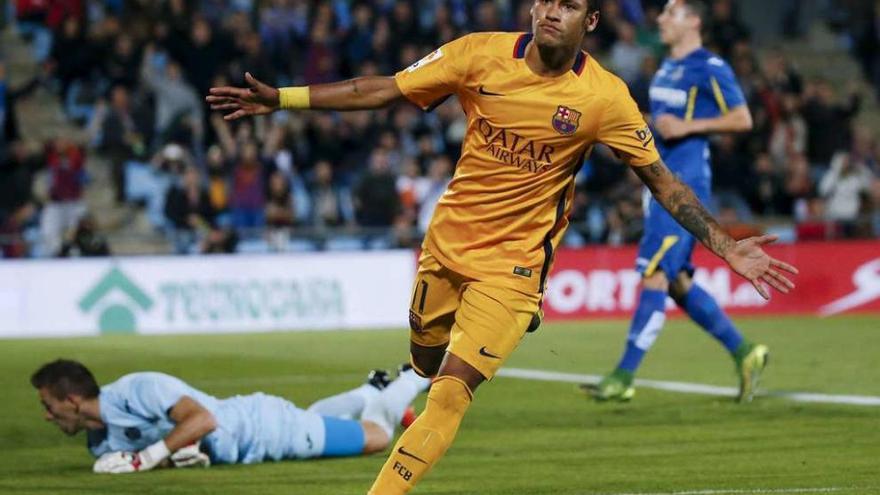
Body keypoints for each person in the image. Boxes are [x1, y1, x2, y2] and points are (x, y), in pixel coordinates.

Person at [206, 1, 797, 492]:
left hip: (513, 270)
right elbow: (383, 89)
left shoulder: (604, 97)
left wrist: (725, 245)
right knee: (425, 364)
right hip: (444, 250)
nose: (551, 12)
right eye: (546, 0)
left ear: (589, 22)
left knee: (450, 393)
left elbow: (663, 181)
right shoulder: (477, 54)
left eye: (568, 6)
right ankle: (396, 399)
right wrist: (284, 98)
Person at [586, 0, 768, 404]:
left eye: (671, 13)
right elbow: (666, 124)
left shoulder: (711, 66)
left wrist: (690, 125)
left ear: (694, 21)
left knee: (654, 272)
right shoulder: (666, 67)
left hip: (687, 183)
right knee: (677, 284)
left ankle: (623, 375)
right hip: (661, 182)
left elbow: (742, 119)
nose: (661, 19)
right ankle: (745, 351)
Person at [31, 359, 429, 473]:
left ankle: (415, 376)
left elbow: (203, 421)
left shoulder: (138, 389)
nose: (48, 417)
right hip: (256, 435)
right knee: (312, 419)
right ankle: (371, 389)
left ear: (70, 399)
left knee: (377, 436)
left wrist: (147, 459)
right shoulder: (102, 444)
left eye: (48, 406)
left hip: (263, 430)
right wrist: (180, 456)